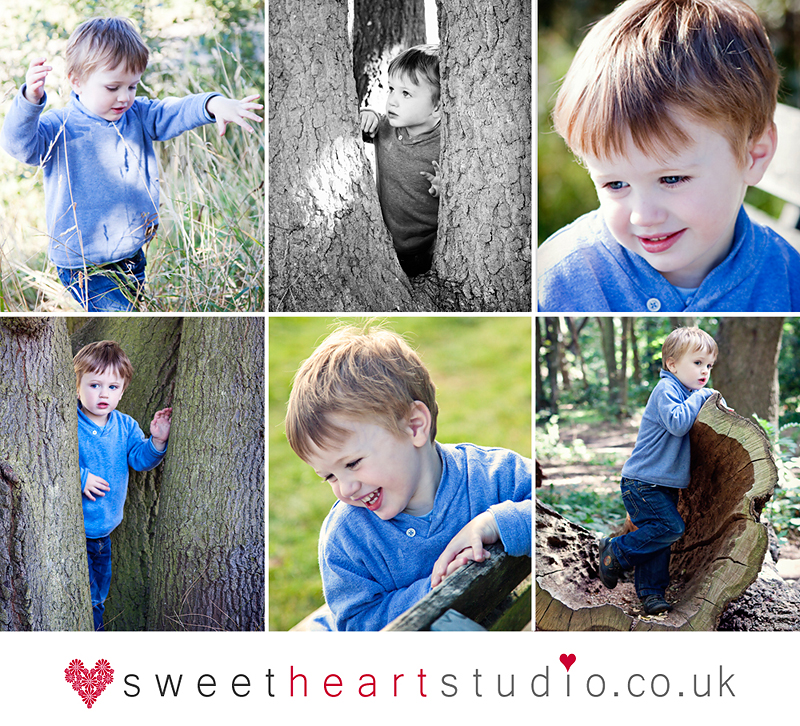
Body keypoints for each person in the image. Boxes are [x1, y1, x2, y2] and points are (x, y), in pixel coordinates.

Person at [537, 0, 800, 312]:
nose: (643, 217)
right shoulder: (560, 279)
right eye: (616, 185)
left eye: (671, 179)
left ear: (754, 156)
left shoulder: (787, 276)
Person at [0, 16, 262, 311]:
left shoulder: (138, 115)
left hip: (133, 254)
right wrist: (29, 101)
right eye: (113, 87)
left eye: (133, 86)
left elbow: (174, 110)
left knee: (134, 311)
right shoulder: (59, 127)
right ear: (76, 80)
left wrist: (212, 104)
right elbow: (17, 146)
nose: (124, 97)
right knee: (121, 314)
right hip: (84, 265)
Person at [284, 322, 531, 630]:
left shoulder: (493, 475)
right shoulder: (347, 537)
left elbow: (554, 504)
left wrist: (495, 522)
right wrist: (436, 589)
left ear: (414, 426)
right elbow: (357, 625)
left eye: (353, 463)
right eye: (329, 477)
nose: (345, 489)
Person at [598, 327, 719, 615]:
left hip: (662, 483)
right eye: (698, 363)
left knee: (657, 540)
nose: (705, 371)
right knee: (670, 528)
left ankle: (651, 594)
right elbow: (678, 423)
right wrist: (703, 397)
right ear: (672, 364)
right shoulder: (666, 390)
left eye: (709, 365)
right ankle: (616, 551)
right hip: (642, 482)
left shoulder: (687, 393)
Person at [73, 340, 172, 630]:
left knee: (99, 595)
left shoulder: (125, 425)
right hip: (73, 528)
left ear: (122, 391)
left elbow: (140, 460)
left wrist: (156, 440)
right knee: (89, 600)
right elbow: (51, 461)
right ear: (77, 385)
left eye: (112, 387)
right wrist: (80, 477)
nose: (103, 394)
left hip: (103, 534)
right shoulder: (69, 423)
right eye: (94, 385)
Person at [360, 45, 441, 277]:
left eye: (406, 93)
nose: (392, 101)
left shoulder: (446, 147)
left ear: (437, 106)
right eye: (392, 89)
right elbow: (366, 124)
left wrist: (444, 189)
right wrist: (367, 115)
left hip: (424, 251)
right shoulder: (385, 127)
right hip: (381, 243)